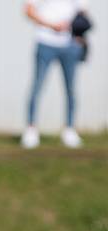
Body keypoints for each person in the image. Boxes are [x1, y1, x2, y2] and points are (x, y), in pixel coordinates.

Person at [20, 0, 89, 149]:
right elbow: (29, 11)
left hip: (70, 44)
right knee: (37, 87)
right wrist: (51, 25)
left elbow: (82, 13)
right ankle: (31, 130)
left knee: (70, 89)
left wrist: (79, 34)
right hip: (45, 41)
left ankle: (69, 130)